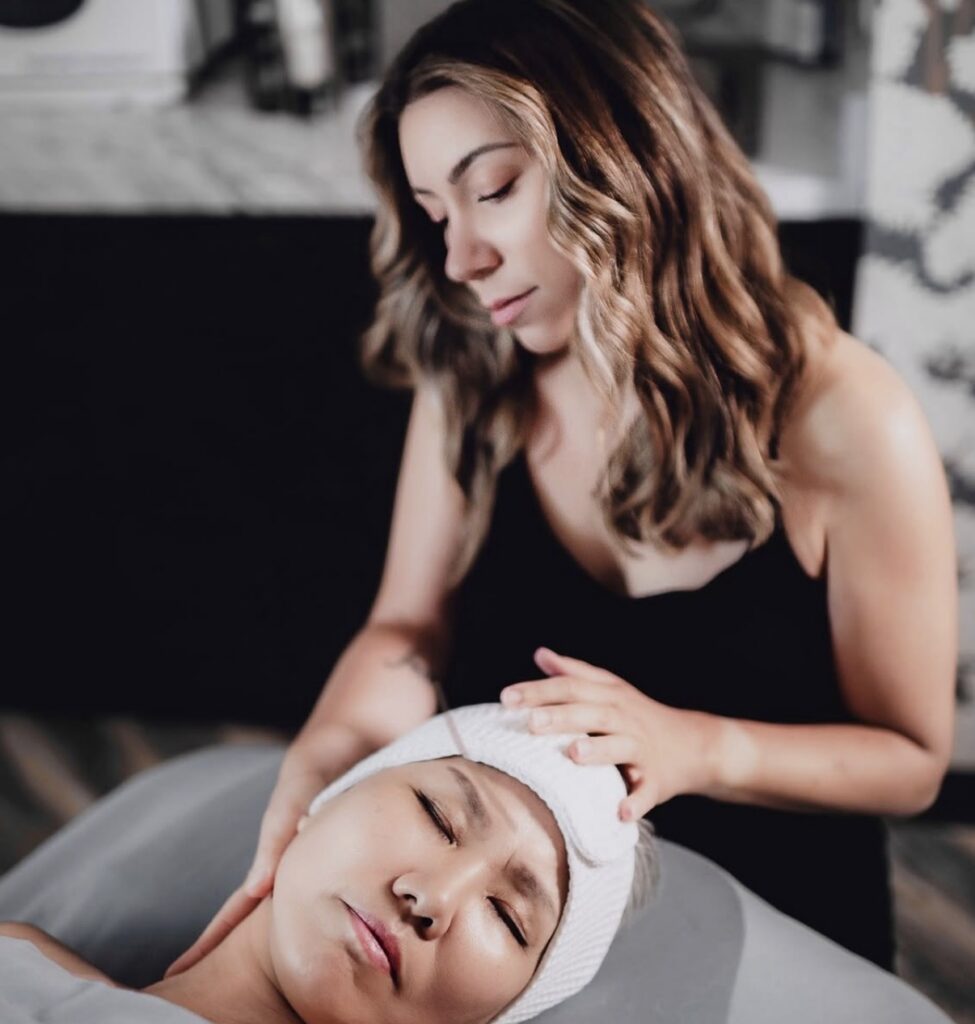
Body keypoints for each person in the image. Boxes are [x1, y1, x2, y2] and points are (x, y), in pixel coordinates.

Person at [165, 0, 955, 973]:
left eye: (491, 188)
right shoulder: (474, 369)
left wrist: (697, 747)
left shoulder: (846, 419)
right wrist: (332, 753)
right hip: (511, 930)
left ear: (625, 155)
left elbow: (911, 762)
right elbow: (409, 632)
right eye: (435, 211)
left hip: (774, 914)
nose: (461, 259)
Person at [0, 704, 655, 1024]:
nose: (432, 898)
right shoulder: (17, 957)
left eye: (508, 919)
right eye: (437, 816)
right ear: (321, 801)